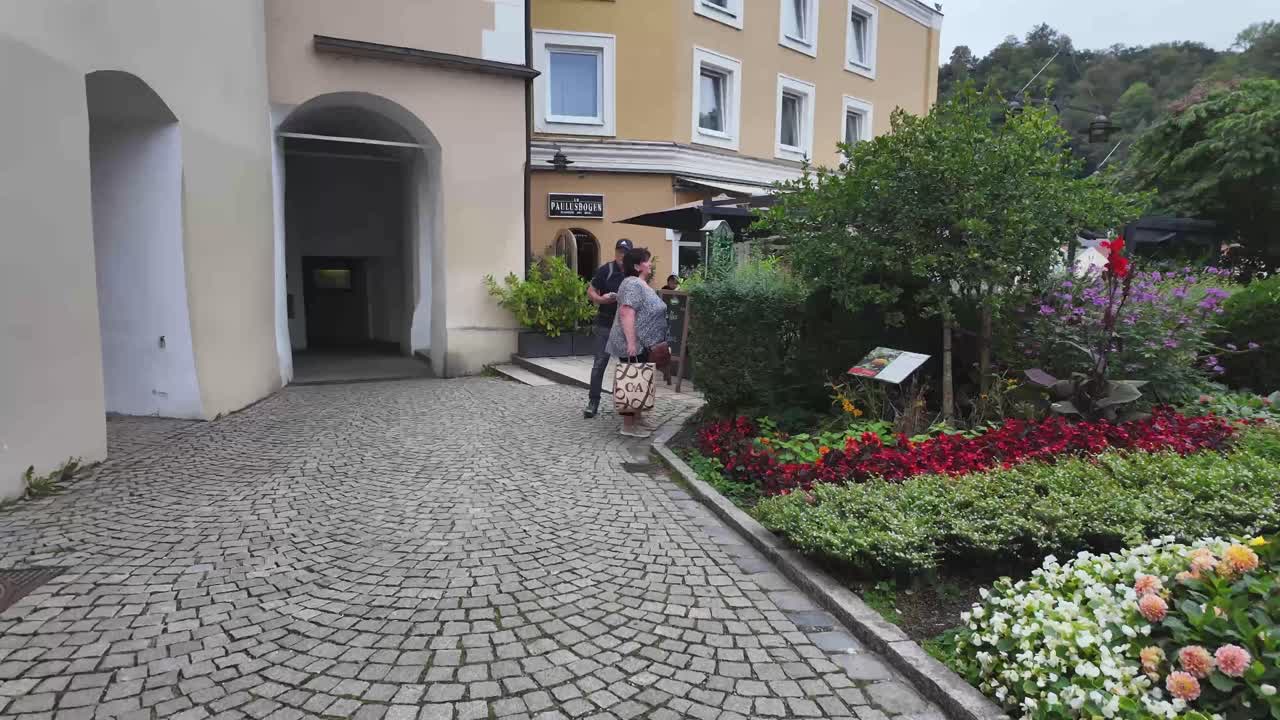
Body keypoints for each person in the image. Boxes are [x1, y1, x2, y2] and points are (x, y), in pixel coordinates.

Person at [607, 247, 669, 438]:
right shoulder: (633, 284)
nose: (650, 264)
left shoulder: (640, 284)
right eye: (647, 261)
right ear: (636, 266)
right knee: (632, 380)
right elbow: (627, 312)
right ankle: (628, 426)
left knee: (641, 380)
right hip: (635, 343)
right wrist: (631, 343)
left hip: (645, 343)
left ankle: (638, 418)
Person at [584, 238, 632, 418]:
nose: (622, 255)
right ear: (615, 252)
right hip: (604, 324)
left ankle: (628, 405)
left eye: (625, 252)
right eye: (619, 251)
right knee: (599, 364)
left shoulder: (633, 274)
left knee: (627, 365)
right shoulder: (606, 269)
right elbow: (591, 291)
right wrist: (601, 299)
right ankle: (593, 402)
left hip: (624, 326)